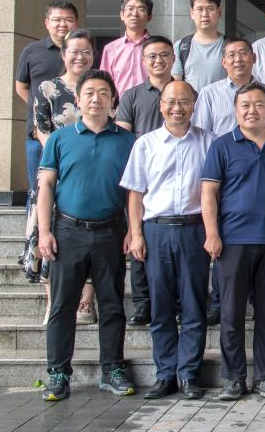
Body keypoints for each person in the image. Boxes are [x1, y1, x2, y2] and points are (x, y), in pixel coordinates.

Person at [37, 70, 137, 401]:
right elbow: (46, 185)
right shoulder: (60, 139)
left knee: (112, 305)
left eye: (103, 93)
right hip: (68, 231)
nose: (96, 99)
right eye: (90, 93)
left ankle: (113, 369)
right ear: (78, 100)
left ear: (113, 101)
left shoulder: (128, 141)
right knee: (63, 306)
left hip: (111, 231)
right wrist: (44, 231)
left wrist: (133, 230)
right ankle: (58, 374)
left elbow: (134, 191)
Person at [201, 82, 265, 402]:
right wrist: (212, 233)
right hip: (233, 241)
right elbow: (209, 193)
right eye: (245, 105)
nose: (252, 110)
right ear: (235, 110)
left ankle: (264, 376)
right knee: (231, 313)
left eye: (259, 105)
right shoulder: (222, 146)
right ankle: (234, 378)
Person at [120, 80, 215, 400]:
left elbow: (215, 192)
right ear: (161, 106)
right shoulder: (145, 144)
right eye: (171, 102)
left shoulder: (209, 142)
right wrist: (135, 233)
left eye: (184, 101)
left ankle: (188, 374)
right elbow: (136, 193)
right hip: (156, 230)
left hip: (194, 229)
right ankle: (164, 375)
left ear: (194, 105)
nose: (177, 107)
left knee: (193, 305)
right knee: (160, 306)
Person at [32, 29, 98, 326]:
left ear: (93, 55)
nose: (80, 57)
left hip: (93, 170)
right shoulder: (47, 88)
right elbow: (42, 129)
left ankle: (85, 301)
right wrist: (63, 157)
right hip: (55, 169)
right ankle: (53, 301)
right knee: (51, 234)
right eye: (74, 51)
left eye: (86, 52)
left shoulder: (100, 86)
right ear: (63, 54)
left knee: (93, 236)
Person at [117, 35, 175, 327]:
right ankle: (142, 303)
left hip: (176, 172)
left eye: (164, 55)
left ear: (173, 59)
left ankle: (175, 301)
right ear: (143, 61)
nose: (158, 60)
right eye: (152, 56)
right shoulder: (132, 95)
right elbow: (124, 135)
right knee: (137, 235)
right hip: (143, 171)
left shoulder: (185, 91)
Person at [15, 0, 78, 195]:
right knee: (38, 189)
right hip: (37, 133)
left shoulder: (82, 52)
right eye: (57, 20)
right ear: (47, 23)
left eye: (68, 19)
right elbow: (21, 87)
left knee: (70, 187)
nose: (62, 24)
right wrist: (44, 109)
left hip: (74, 132)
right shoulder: (32, 51)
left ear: (76, 23)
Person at [193, 38, 265, 136]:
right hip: (222, 146)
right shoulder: (209, 94)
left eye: (243, 53)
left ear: (254, 58)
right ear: (224, 62)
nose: (238, 59)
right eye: (231, 55)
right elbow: (200, 134)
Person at [172, 0, 226, 92]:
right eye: (200, 9)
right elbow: (176, 85)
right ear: (192, 13)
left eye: (210, 8)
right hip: (191, 102)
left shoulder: (230, 46)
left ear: (219, 12)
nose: (205, 14)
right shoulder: (181, 46)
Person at [100, 0, 152, 93]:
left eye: (141, 9)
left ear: (149, 17)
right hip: (121, 102)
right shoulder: (110, 49)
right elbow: (104, 83)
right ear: (122, 15)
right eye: (130, 8)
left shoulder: (158, 48)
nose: (135, 14)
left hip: (152, 102)